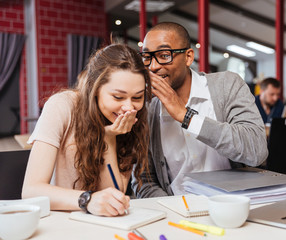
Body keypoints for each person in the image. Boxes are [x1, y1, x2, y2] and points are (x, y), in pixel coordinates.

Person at [131, 22, 268, 197]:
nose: (153, 66)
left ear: (188, 57)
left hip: (233, 206)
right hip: (178, 214)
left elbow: (257, 152)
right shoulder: (147, 108)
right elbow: (144, 180)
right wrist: (173, 209)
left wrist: (186, 116)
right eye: (147, 57)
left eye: (164, 55)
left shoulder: (227, 85)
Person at [22, 44, 152, 216]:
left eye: (137, 97)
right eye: (118, 97)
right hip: (60, 222)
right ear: (95, 88)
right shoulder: (62, 106)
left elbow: (113, 197)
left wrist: (109, 139)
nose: (129, 107)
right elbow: (31, 190)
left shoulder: (133, 121)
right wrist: (87, 200)